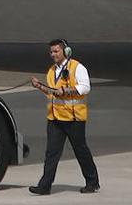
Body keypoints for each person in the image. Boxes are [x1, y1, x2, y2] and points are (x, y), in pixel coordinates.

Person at [29, 38, 100, 195]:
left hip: (73, 118)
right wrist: (39, 86)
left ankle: (92, 182)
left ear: (65, 51)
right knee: (51, 153)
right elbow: (52, 92)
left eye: (56, 51)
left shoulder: (77, 68)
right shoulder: (51, 71)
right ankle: (45, 186)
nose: (53, 54)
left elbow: (85, 87)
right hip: (55, 118)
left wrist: (67, 91)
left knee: (80, 150)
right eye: (51, 52)